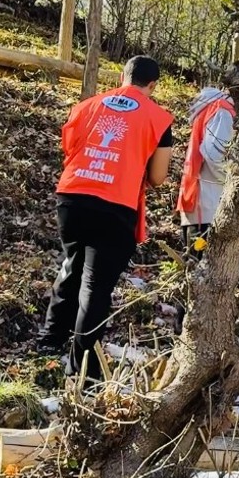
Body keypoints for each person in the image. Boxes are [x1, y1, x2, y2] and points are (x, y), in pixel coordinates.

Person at [37, 56, 173, 381]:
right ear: (152, 85)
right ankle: (83, 368)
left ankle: (50, 339)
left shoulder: (87, 105)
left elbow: (69, 148)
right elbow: (158, 176)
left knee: (72, 264)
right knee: (96, 288)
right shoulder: (158, 117)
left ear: (122, 76)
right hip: (116, 204)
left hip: (72, 196)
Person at [176, 84, 235, 241]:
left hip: (198, 199)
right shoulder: (223, 111)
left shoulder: (212, 106)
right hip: (209, 203)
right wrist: (234, 181)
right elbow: (213, 154)